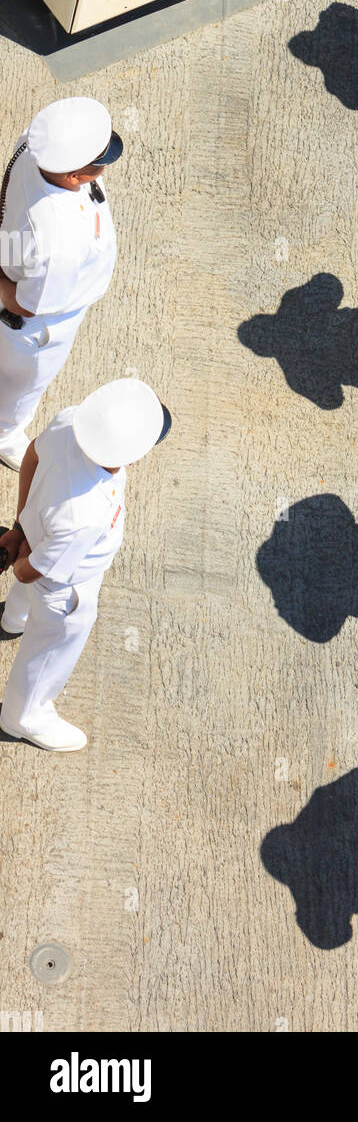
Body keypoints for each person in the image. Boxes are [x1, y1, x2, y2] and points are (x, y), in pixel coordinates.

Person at [0, 379, 172, 752]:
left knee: (25, 596)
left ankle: (13, 619)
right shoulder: (87, 514)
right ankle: (24, 715)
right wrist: (26, 551)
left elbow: (31, 456)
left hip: (42, 539)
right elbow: (30, 572)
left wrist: (21, 526)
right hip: (64, 584)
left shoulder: (69, 421)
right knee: (53, 644)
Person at [0, 98, 122, 471]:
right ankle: (4, 435)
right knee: (24, 385)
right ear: (74, 176)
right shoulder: (58, 241)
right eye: (98, 164)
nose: (103, 167)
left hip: (17, 246)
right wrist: (2, 279)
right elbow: (27, 304)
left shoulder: (37, 145)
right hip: (41, 326)